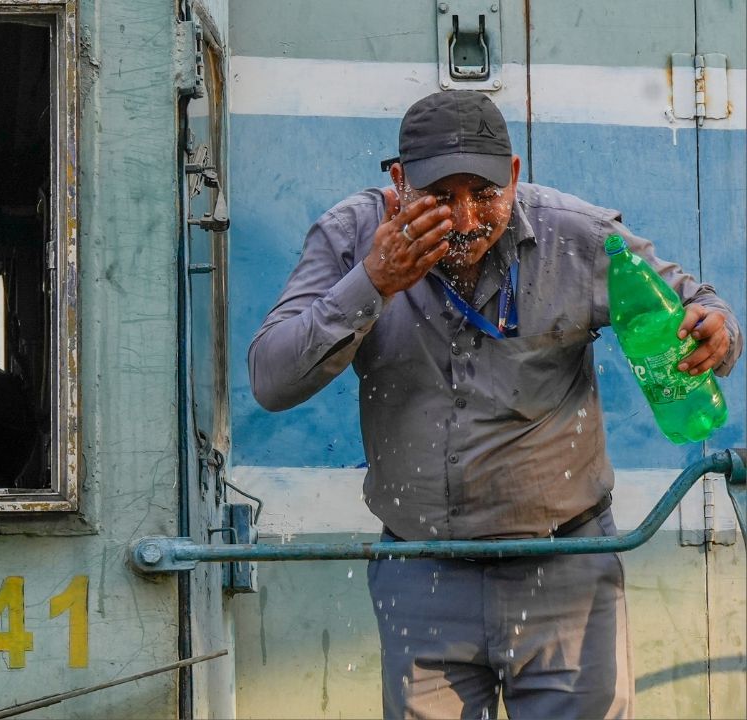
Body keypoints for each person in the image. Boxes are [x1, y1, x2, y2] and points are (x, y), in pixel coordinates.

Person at [249, 91, 740, 719]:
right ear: (398, 182)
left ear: (512, 174)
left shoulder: (579, 237)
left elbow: (703, 305)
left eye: (484, 194)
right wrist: (372, 283)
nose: (464, 218)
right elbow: (270, 378)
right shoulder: (351, 238)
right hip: (421, 574)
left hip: (565, 570)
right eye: (440, 197)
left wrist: (716, 333)